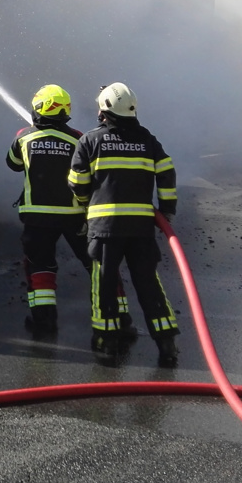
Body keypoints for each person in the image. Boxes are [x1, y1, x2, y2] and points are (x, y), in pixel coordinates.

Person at [68, 82, 179, 366]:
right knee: (148, 283)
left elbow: (77, 182)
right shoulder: (147, 140)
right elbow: (167, 172)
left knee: (103, 284)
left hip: (104, 228)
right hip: (141, 227)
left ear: (105, 110)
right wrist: (166, 210)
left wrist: (85, 201)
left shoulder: (90, 141)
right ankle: (166, 342)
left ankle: (106, 342)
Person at [5, 85, 94, 337]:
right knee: (96, 264)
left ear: (38, 109)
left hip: (37, 218)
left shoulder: (24, 136)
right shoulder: (79, 138)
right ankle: (115, 316)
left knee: (39, 266)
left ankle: (44, 321)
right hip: (74, 216)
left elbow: (12, 164)